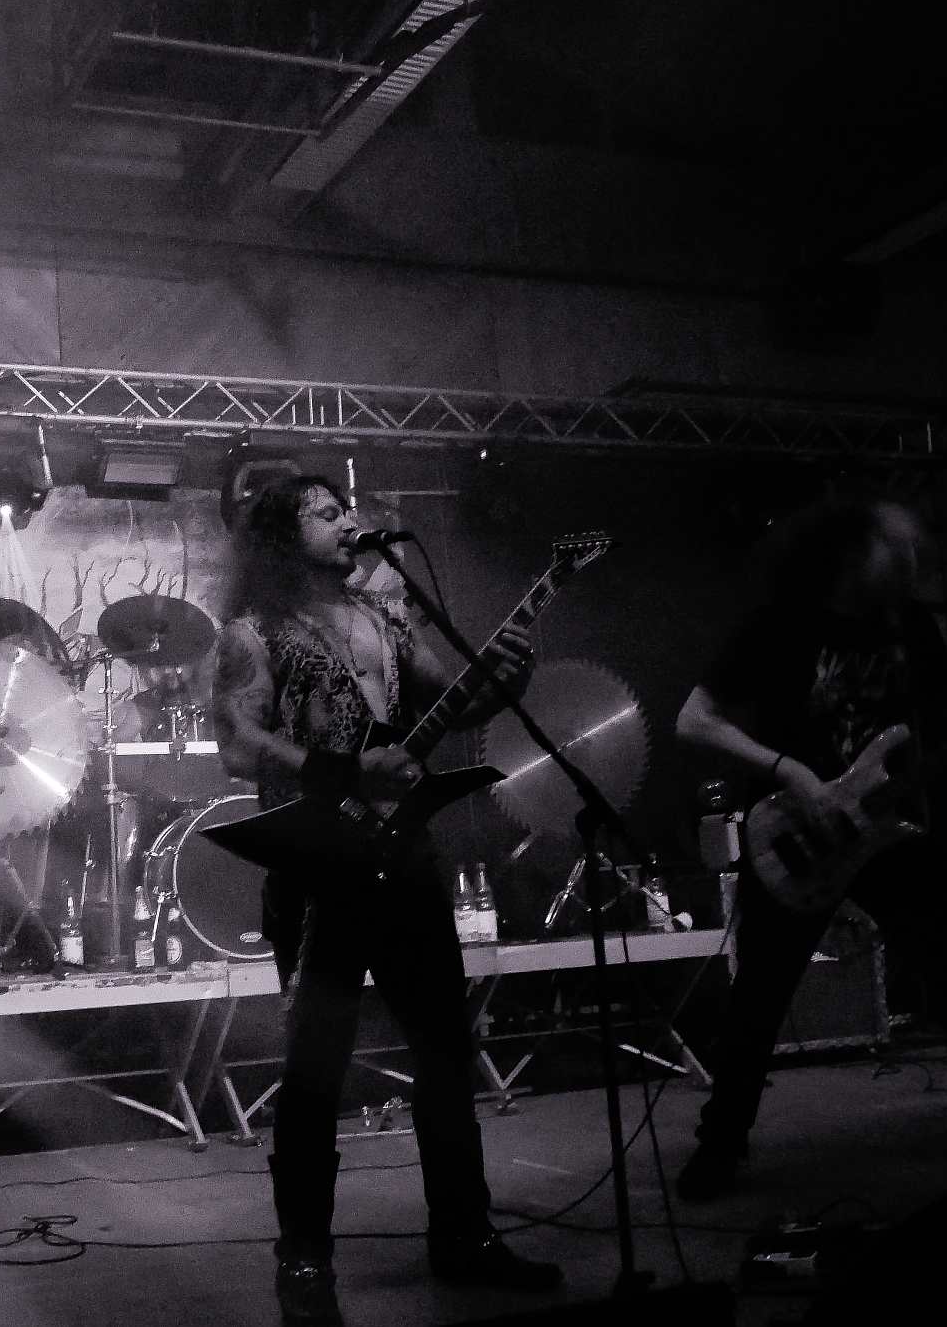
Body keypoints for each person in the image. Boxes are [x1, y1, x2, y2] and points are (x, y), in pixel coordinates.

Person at [209, 474, 562, 1325]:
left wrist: (508, 674)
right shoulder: (253, 631)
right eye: (327, 513)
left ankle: (465, 1235)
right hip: (317, 867)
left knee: (444, 1048)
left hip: (404, 858)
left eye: (350, 509)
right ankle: (304, 1262)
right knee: (315, 1069)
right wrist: (345, 771)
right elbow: (237, 745)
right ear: (283, 535)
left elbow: (458, 703)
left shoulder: (388, 617)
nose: (351, 522)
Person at [673, 495, 947, 1202]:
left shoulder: (910, 625)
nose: (913, 563)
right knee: (758, 1001)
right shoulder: (781, 623)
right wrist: (792, 772)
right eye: (899, 548)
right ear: (854, 552)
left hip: (888, 833)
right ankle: (720, 1145)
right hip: (794, 834)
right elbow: (694, 719)